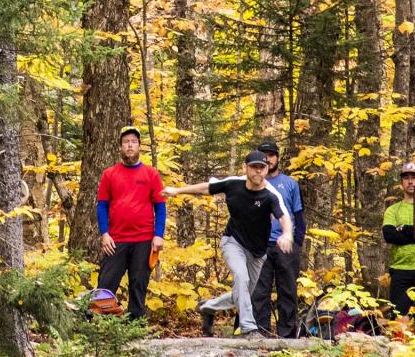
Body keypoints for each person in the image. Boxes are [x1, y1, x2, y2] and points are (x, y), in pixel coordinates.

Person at [165, 150, 293, 337]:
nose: (258, 172)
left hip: (258, 252)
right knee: (242, 278)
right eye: (254, 167)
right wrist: (177, 191)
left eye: (262, 168)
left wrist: (287, 234)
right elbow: (205, 188)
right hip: (233, 242)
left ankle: (208, 307)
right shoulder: (233, 184)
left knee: (242, 294)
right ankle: (249, 328)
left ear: (267, 170)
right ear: (245, 168)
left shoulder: (270, 195)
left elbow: (284, 217)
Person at [95, 125, 165, 320]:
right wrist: (104, 233)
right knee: (107, 282)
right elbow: (102, 205)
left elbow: (160, 206)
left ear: (139, 146)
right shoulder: (109, 174)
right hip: (115, 239)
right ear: (120, 147)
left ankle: (135, 325)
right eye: (126, 142)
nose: (130, 145)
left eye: (134, 142)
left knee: (138, 283)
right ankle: (100, 323)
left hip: (144, 239)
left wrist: (159, 235)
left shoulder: (151, 174)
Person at [249, 140, 305, 337]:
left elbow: (298, 215)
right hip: (259, 246)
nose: (268, 159)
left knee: (287, 291)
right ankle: (261, 333)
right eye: (264, 155)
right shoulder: (251, 183)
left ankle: (288, 335)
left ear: (277, 158)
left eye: (271, 155)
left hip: (285, 245)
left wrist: (297, 242)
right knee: (259, 292)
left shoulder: (290, 184)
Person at [382, 161, 415, 325]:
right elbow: (389, 236)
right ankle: (399, 350)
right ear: (401, 182)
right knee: (399, 318)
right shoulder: (393, 210)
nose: (410, 181)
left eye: (414, 178)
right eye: (406, 178)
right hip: (400, 270)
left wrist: (403, 230)